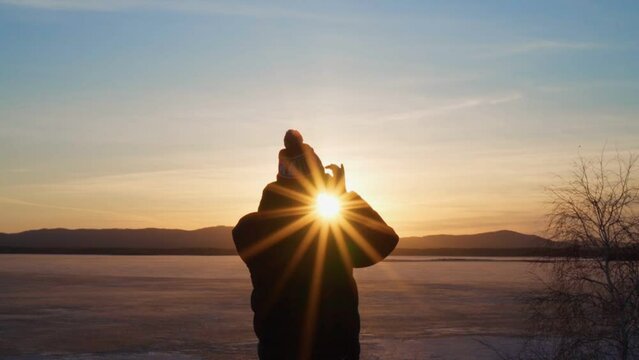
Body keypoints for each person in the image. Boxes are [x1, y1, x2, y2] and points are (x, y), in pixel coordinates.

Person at [233, 129, 399, 360]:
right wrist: (343, 196)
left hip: (277, 350)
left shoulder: (249, 230)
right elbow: (384, 241)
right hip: (333, 349)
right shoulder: (331, 232)